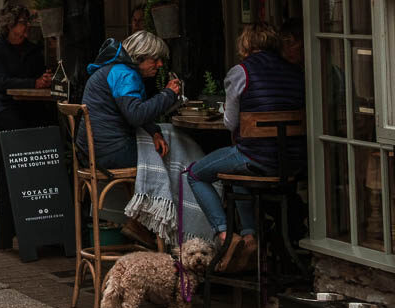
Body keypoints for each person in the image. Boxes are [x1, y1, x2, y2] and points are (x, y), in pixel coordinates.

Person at [186, 23, 305, 272]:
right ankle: (250, 238)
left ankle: (226, 237)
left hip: (256, 157)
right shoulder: (296, 71)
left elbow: (230, 122)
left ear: (247, 45)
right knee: (237, 175)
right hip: (292, 162)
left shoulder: (241, 72)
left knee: (196, 173)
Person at [79, 31, 182, 246]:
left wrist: (153, 131)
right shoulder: (125, 73)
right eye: (156, 59)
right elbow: (135, 114)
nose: (160, 65)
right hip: (110, 152)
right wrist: (168, 95)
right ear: (140, 57)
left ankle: (139, 223)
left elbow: (131, 109)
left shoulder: (114, 68)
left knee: (157, 150)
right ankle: (170, 231)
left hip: (93, 150)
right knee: (173, 159)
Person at [0, 5, 52, 132]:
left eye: (28, 22)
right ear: (9, 25)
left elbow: (39, 73)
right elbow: (2, 82)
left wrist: (45, 79)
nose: (28, 25)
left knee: (49, 122)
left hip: (27, 103)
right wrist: (34, 83)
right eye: (23, 22)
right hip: (0, 104)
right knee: (19, 125)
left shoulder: (32, 50)